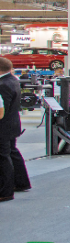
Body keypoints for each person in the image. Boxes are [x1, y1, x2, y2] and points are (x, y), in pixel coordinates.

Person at [0, 56, 31, 202]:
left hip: (3, 126)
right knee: (12, 153)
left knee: (3, 157)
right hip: (12, 124)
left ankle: (5, 191)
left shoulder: (2, 84)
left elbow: (2, 110)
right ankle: (21, 182)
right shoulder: (13, 80)